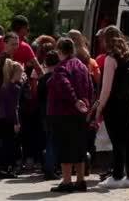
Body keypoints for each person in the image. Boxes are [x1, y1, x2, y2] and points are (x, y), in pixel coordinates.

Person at [47, 37, 94, 193]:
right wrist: (87, 105)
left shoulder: (61, 67)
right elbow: (90, 87)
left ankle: (67, 181)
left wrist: (75, 101)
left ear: (60, 51)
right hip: (82, 113)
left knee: (64, 146)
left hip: (63, 113)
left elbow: (64, 85)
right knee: (80, 146)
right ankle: (80, 180)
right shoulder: (82, 66)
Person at [96, 26, 129, 190]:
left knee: (116, 141)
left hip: (113, 104)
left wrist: (99, 107)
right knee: (128, 139)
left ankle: (117, 176)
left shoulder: (110, 59)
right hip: (127, 102)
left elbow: (106, 88)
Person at [0, 59, 23, 179]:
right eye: (20, 73)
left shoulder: (4, 86)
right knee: (11, 145)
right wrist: (16, 122)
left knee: (4, 144)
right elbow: (14, 107)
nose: (21, 76)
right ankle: (9, 168)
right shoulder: (15, 88)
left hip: (1, 118)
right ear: (15, 74)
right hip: (10, 119)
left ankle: (2, 168)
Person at [37, 50, 60, 180]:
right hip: (55, 113)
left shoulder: (42, 79)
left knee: (48, 140)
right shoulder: (58, 77)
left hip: (44, 113)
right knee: (53, 141)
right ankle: (50, 169)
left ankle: (47, 165)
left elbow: (39, 98)